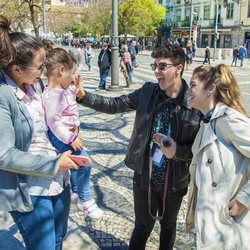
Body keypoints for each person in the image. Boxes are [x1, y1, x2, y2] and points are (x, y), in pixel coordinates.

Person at [76, 43, 200, 249]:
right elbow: (115, 105)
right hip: (145, 175)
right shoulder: (147, 92)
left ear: (178, 68)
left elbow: (199, 149)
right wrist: (83, 96)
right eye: (154, 66)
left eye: (162, 66)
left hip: (175, 180)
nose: (156, 72)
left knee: (168, 226)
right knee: (143, 227)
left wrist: (177, 151)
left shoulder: (193, 102)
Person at [0, 15, 78, 249]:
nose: (45, 71)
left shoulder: (37, 84)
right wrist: (53, 164)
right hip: (30, 190)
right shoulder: (4, 96)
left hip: (58, 182)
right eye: (40, 66)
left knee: (56, 241)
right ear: (16, 69)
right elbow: (4, 155)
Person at [187, 64, 250, 249]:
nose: (188, 91)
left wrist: (244, 199)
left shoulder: (228, 120)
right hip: (211, 223)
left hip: (229, 226)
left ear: (211, 89)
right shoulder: (206, 123)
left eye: (193, 85)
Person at [42, 48, 104, 219]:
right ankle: (85, 199)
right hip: (63, 136)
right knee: (85, 163)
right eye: (72, 72)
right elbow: (54, 122)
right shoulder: (53, 96)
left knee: (78, 164)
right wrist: (71, 138)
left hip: (67, 135)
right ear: (61, 70)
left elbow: (68, 97)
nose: (73, 76)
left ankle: (75, 192)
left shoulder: (59, 91)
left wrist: (77, 88)